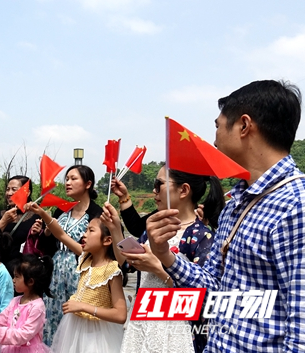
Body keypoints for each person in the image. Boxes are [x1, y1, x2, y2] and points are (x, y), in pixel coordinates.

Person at [147, 80, 305, 352]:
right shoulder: (237, 204)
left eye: (218, 126)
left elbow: (300, 332)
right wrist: (164, 254)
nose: (214, 139)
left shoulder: (295, 205)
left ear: (244, 125)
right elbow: (214, 288)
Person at [115, 168, 224, 353]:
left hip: (177, 330)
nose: (154, 191)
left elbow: (203, 299)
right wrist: (113, 228)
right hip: (143, 322)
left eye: (159, 184)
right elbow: (126, 264)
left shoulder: (201, 236)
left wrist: (159, 269)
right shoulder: (153, 230)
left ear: (184, 190)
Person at [29, 165, 103, 345]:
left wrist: (58, 231)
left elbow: (93, 252)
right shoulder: (61, 211)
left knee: (78, 322)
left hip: (80, 273)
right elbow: (49, 247)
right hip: (56, 273)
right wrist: (45, 233)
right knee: (53, 318)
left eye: (73, 178)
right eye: (67, 179)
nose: (68, 183)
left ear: (88, 184)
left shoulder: (96, 214)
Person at [47, 214, 127, 353]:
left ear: (107, 240)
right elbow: (61, 235)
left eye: (91, 230)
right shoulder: (85, 259)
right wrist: (42, 214)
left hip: (98, 335)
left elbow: (120, 315)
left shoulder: (112, 270)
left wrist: (82, 306)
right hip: (75, 329)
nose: (84, 235)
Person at [0, 254, 53, 353]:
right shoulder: (15, 301)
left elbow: (24, 334)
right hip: (10, 348)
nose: (13, 280)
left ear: (30, 281)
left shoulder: (37, 306)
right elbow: (1, 319)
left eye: (17, 277)